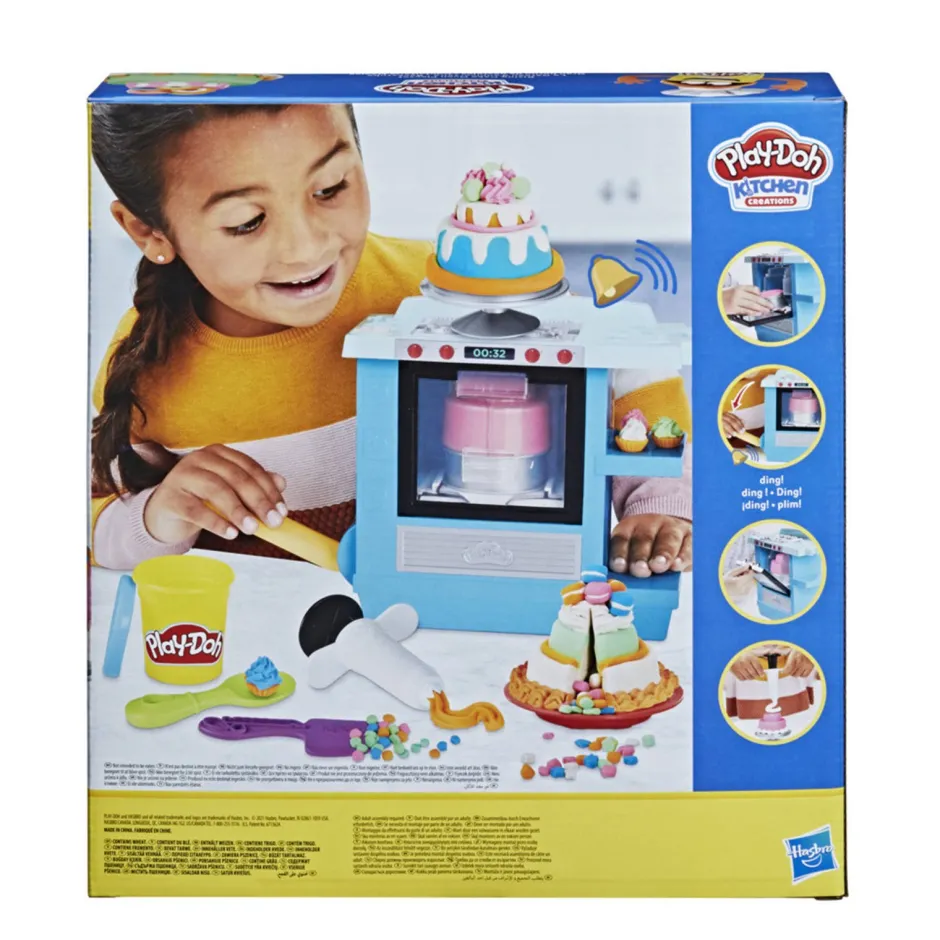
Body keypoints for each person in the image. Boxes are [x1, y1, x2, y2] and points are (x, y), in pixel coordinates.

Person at [89, 102, 692, 577]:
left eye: (330, 187)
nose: (307, 247)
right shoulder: (145, 365)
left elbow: (628, 363)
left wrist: (657, 501)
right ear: (149, 231)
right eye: (246, 222)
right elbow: (97, 527)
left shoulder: (445, 287)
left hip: (458, 622)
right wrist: (160, 513)